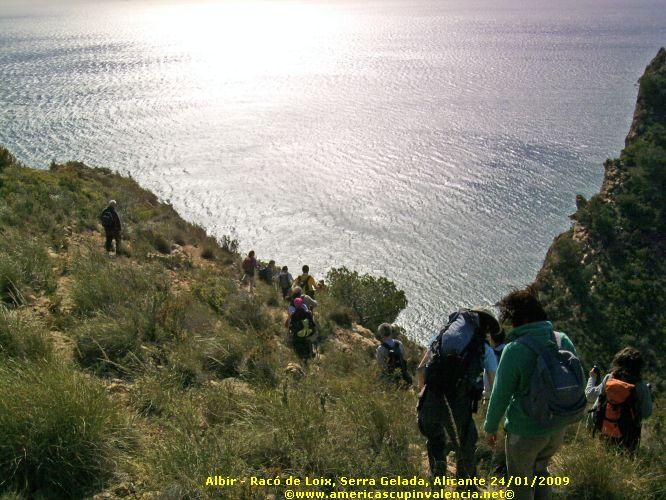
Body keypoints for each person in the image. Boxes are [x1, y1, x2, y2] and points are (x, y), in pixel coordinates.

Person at [484, 288, 583, 500]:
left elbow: (500, 394)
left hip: (525, 431)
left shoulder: (514, 349)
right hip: (557, 426)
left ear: (519, 320)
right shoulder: (562, 340)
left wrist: (490, 427)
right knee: (541, 471)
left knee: (520, 483)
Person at [417, 307, 500, 482]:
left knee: (435, 439)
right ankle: (466, 484)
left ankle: (437, 480)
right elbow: (494, 386)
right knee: (466, 443)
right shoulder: (484, 349)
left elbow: (420, 369)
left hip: (431, 396)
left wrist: (423, 393)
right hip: (459, 402)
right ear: (485, 328)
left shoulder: (441, 337)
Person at [586, 347, 653, 452]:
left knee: (601, 456)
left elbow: (590, 396)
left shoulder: (609, 378)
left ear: (618, 362)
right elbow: (647, 413)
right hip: (628, 439)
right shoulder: (641, 386)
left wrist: (592, 377)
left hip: (603, 431)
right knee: (624, 460)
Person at [286, 297, 316, 361]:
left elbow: (291, 327)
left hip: (298, 335)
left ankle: (298, 355)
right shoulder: (308, 313)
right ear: (302, 304)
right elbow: (313, 324)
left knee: (294, 341)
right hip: (309, 333)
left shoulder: (294, 315)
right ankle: (312, 350)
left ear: (295, 305)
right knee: (310, 340)